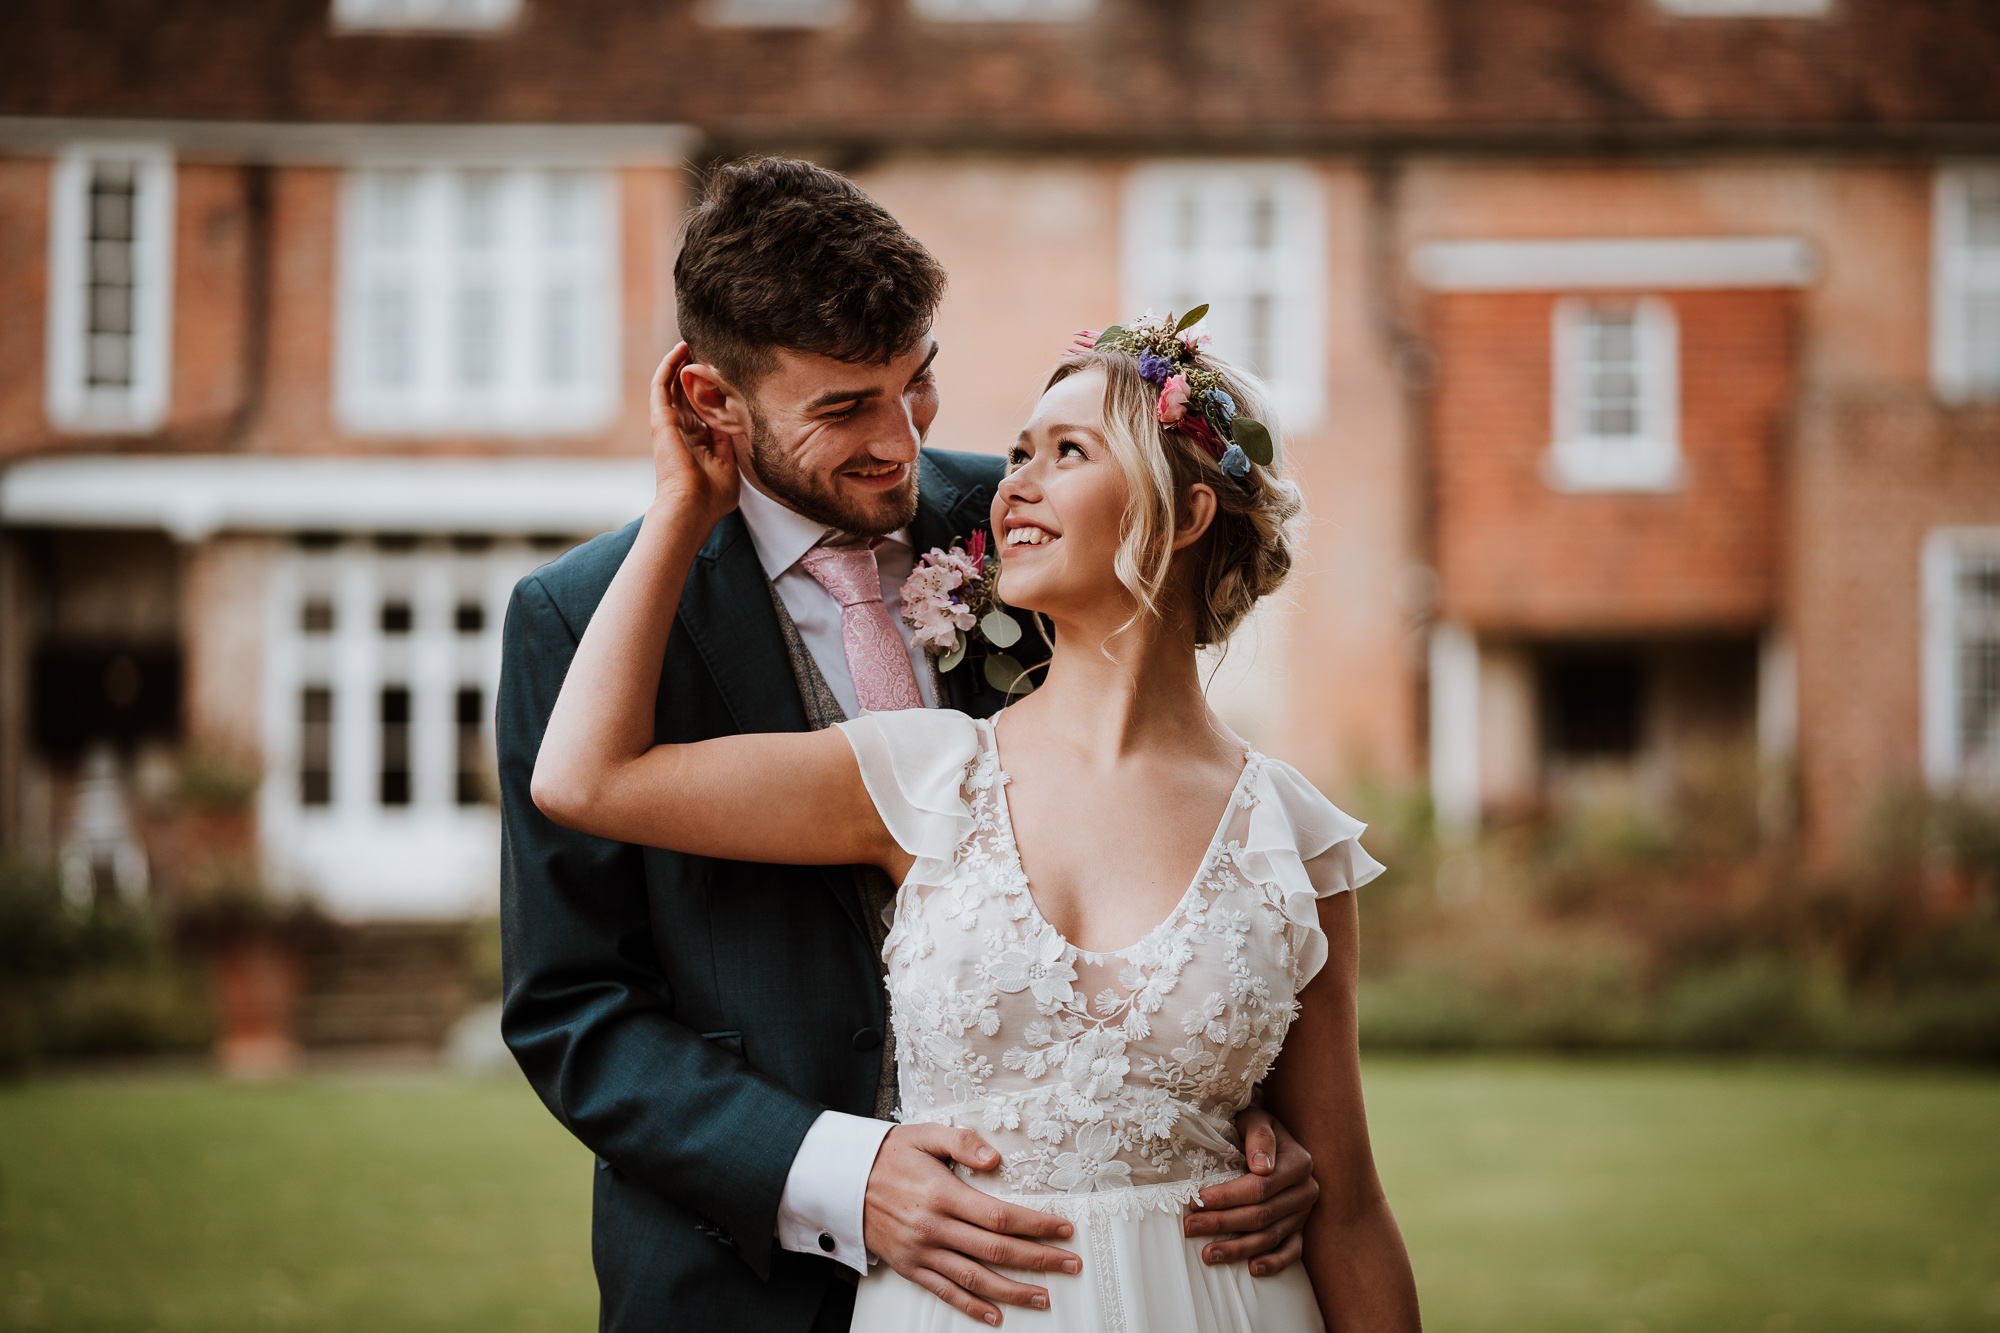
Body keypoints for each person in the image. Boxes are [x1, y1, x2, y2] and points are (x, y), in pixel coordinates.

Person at [498, 157, 1325, 1333]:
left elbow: (1177, 830)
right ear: (711, 397)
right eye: (843, 408)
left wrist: (1228, 1106)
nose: (901, 441)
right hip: (736, 1287)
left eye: (918, 381)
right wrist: (839, 1173)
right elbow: (571, 1009)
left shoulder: (1035, 525)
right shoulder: (580, 623)